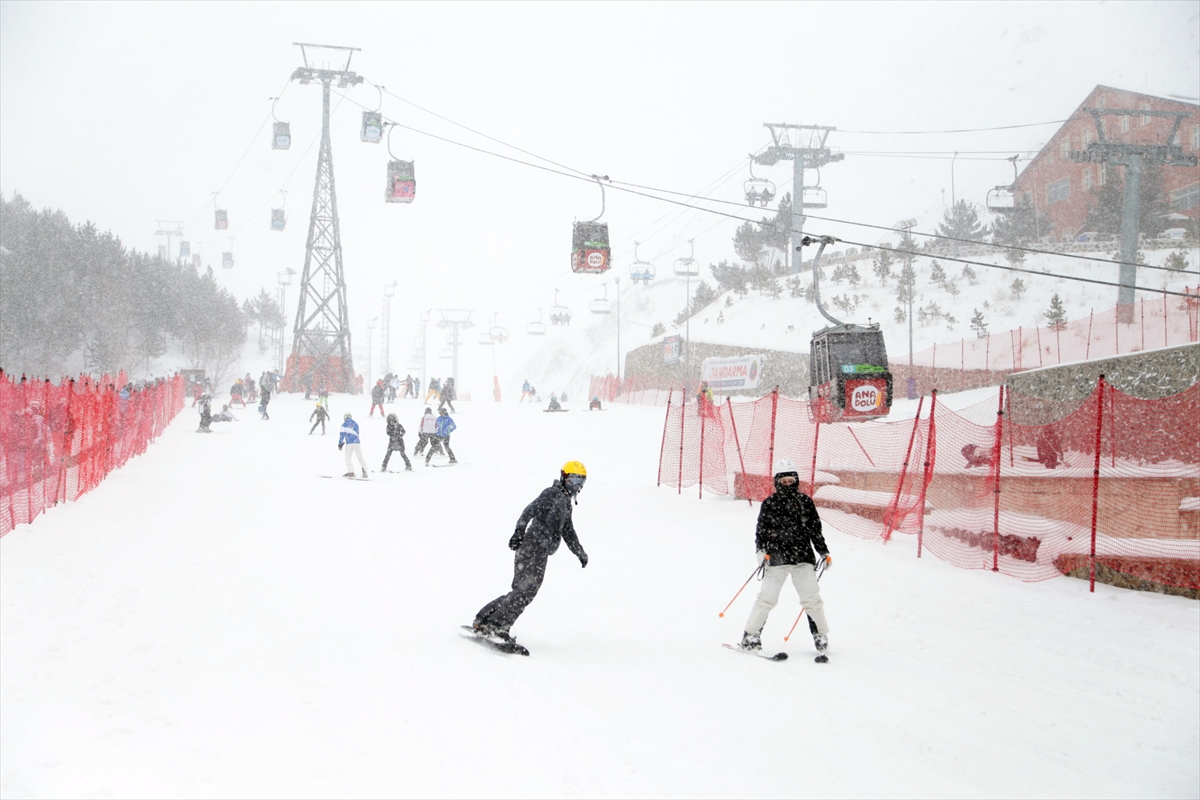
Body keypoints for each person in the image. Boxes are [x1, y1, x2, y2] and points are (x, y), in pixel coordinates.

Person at [472, 461, 589, 644]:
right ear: (564, 477)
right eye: (573, 479)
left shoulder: (565, 503)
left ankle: (485, 619)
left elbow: (568, 531)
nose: (577, 485)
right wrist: (519, 531)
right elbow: (529, 510)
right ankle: (498, 625)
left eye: (581, 481)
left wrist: (579, 552)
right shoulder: (552, 493)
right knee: (526, 590)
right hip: (533, 545)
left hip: (537, 549)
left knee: (522, 590)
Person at [739, 459, 832, 661]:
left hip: (802, 558)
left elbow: (815, 530)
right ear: (777, 482)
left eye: (791, 481)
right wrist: (761, 552)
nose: (788, 485)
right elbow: (761, 531)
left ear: (796, 481)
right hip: (776, 558)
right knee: (767, 598)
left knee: (812, 598)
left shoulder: (805, 502)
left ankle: (820, 635)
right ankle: (751, 635)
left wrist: (823, 552)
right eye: (784, 481)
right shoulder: (770, 504)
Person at [338, 412, 369, 478]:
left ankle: (351, 472)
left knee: (348, 459)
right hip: (357, 442)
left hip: (349, 443)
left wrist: (340, 444)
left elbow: (341, 435)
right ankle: (365, 471)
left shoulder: (344, 424)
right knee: (360, 457)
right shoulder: (356, 424)